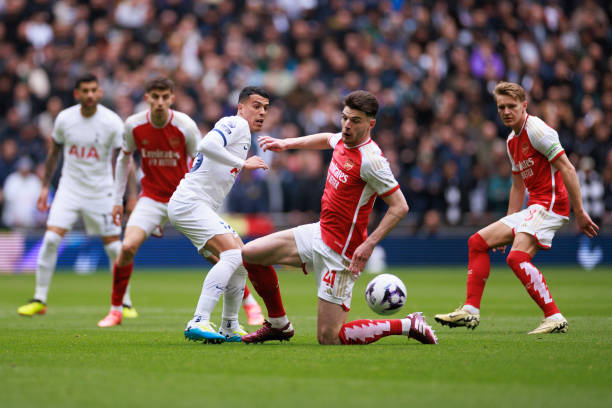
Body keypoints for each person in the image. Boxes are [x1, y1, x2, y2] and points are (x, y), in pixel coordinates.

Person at [241, 90, 438, 345]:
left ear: (370, 124)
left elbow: (400, 207)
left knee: (329, 337)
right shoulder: (344, 139)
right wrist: (287, 144)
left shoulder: (372, 162)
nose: (347, 125)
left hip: (341, 253)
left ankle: (407, 324)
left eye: (355, 120)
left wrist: (369, 244)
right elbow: (327, 139)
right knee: (251, 254)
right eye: (344, 118)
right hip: (319, 233)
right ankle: (278, 324)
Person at [435, 81, 599, 335]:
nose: (506, 111)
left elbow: (568, 168)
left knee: (516, 257)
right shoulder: (512, 140)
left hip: (552, 205)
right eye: (501, 107)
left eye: (512, 106)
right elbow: (517, 186)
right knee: (477, 242)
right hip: (534, 206)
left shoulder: (538, 131)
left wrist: (580, 212)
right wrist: (510, 224)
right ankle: (470, 310)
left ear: (524, 106)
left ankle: (554, 316)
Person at [17, 74, 127, 316]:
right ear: (77, 94)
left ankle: (124, 303)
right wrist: (45, 187)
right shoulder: (65, 119)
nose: (89, 95)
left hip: (101, 191)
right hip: (70, 189)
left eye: (93, 90)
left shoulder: (112, 122)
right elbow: (54, 153)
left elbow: (124, 159)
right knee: (51, 240)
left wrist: (125, 195)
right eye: (84, 91)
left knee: (113, 248)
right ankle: (39, 299)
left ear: (99, 93)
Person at [168, 86, 270, 343]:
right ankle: (199, 320)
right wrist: (242, 163)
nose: (262, 112)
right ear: (241, 107)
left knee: (242, 258)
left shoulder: (245, 134)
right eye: (256, 106)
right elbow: (207, 144)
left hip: (199, 205)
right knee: (234, 254)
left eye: (265, 108)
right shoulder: (234, 123)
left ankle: (229, 325)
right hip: (190, 202)